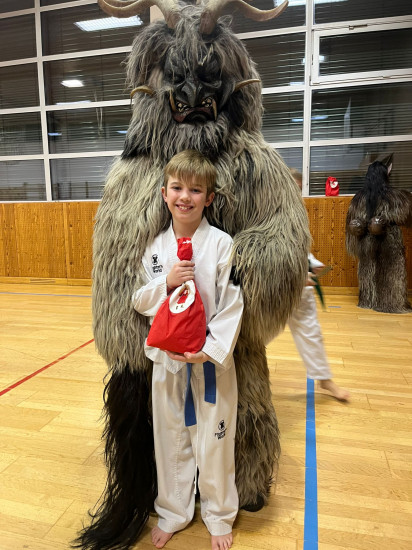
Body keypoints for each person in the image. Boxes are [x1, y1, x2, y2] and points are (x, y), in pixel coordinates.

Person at [132, 150, 244, 550]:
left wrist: (210, 350)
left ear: (209, 198)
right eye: (177, 188)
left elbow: (233, 302)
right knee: (170, 439)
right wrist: (166, 283)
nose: (185, 197)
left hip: (210, 362)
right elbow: (139, 301)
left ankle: (219, 514)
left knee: (216, 441)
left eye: (196, 190)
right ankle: (173, 511)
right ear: (164, 193)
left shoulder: (222, 245)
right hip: (168, 361)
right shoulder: (154, 248)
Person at [289, 169, 350, 401]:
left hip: (299, 288)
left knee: (311, 331)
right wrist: (294, 277)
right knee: (255, 337)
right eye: (291, 188)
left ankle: (324, 379)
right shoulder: (265, 213)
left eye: (298, 189)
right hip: (275, 288)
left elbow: (300, 251)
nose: (295, 194)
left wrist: (312, 263)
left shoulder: (297, 215)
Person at [346, 160, 412, 313]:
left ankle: (368, 301)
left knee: (368, 270)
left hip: (366, 241)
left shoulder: (358, 198)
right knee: (391, 272)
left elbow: (353, 220)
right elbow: (405, 215)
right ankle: (391, 304)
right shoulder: (395, 197)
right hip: (390, 240)